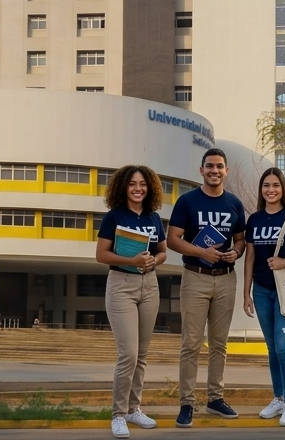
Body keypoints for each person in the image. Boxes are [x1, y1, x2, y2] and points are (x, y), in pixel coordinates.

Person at [167, 147, 247, 427]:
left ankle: (215, 398)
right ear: (201, 170)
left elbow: (240, 240)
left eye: (219, 167)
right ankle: (187, 403)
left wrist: (235, 253)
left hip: (226, 277)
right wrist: (201, 252)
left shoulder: (234, 203)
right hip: (195, 276)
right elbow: (173, 239)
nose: (215, 171)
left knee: (219, 344)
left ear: (226, 171)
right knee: (190, 344)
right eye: (209, 166)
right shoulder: (187, 201)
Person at [96, 164, 169, 439]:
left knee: (142, 355)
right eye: (132, 184)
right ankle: (118, 414)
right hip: (121, 285)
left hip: (149, 285)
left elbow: (162, 252)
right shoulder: (113, 217)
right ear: (123, 187)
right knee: (128, 354)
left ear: (149, 187)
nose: (138, 188)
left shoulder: (153, 218)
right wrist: (131, 260)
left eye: (143, 184)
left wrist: (154, 260)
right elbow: (101, 255)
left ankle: (134, 409)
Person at [243, 167, 285, 427]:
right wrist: (246, 292)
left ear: (283, 188)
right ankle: (279, 398)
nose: (270, 190)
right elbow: (249, 256)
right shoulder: (254, 219)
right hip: (261, 290)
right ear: (262, 190)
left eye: (275, 185)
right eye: (266, 185)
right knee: (272, 347)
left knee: (283, 347)